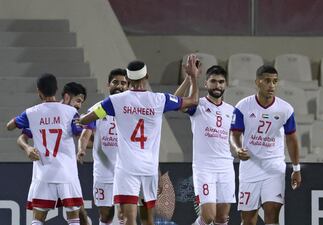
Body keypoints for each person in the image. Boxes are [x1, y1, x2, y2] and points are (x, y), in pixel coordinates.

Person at [78, 55, 199, 225]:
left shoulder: (115, 101)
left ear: (127, 79)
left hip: (126, 169)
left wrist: (81, 120)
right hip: (148, 169)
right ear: (147, 77)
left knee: (127, 219)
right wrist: (192, 76)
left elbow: (91, 117)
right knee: (148, 220)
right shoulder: (159, 99)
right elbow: (193, 101)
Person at [6, 74, 84, 225]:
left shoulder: (31, 113)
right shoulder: (70, 113)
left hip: (44, 173)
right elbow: (81, 135)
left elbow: (9, 127)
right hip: (67, 174)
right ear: (56, 89)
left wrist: (27, 146)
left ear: (38, 91)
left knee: (38, 220)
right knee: (74, 219)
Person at [230, 65, 302, 225]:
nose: (272, 86)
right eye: (267, 81)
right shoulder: (243, 106)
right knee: (248, 219)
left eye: (275, 81)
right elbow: (234, 133)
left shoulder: (285, 109)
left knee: (272, 213)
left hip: (274, 167)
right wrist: (237, 148)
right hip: (249, 169)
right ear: (258, 82)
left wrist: (296, 169)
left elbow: (292, 139)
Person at [174, 65, 235, 225]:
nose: (218, 85)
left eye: (221, 82)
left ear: (226, 85)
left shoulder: (232, 110)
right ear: (206, 84)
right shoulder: (197, 105)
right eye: (213, 81)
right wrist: (189, 78)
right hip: (204, 168)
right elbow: (176, 100)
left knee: (222, 218)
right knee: (208, 217)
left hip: (225, 167)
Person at [77, 68, 128, 225]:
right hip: (103, 171)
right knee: (105, 215)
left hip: (126, 171)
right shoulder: (98, 109)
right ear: (108, 85)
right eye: (115, 82)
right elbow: (86, 133)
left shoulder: (131, 109)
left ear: (128, 86)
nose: (119, 86)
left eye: (123, 83)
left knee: (122, 216)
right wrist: (81, 149)